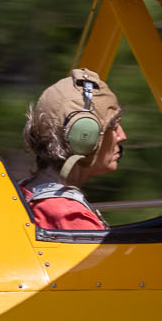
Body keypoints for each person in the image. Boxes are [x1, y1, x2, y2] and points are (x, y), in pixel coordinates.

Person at [17, 68, 127, 235]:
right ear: (84, 137)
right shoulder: (70, 218)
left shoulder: (24, 192)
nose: (122, 136)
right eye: (113, 125)